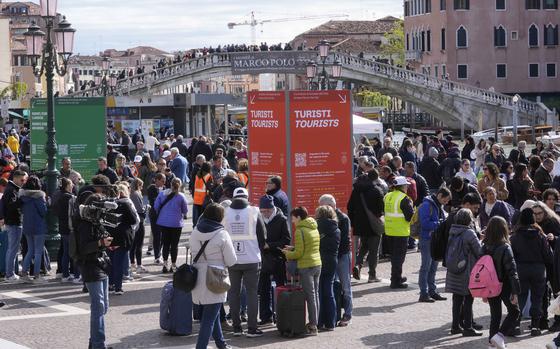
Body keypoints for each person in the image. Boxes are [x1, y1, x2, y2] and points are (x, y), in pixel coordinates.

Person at [191, 203, 237, 349]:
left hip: (197, 275)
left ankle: (221, 344)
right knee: (209, 318)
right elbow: (231, 260)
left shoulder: (195, 231)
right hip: (215, 277)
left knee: (213, 312)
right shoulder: (222, 234)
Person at [223, 187, 266, 337]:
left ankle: (236, 328)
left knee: (233, 293)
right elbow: (262, 236)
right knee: (252, 293)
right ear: (247, 197)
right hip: (252, 258)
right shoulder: (254, 211)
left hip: (232, 259)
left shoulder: (226, 212)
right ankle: (252, 328)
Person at [76, 193, 114, 349]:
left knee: (103, 306)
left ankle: (94, 343)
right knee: (98, 306)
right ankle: (99, 345)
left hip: (101, 265)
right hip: (90, 266)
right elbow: (83, 248)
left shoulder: (97, 222)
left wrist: (108, 243)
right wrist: (100, 242)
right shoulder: (84, 225)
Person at [510, 208, 553, 336]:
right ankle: (535, 327)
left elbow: (512, 255)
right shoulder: (540, 235)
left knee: (520, 297)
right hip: (538, 270)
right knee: (537, 298)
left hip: (521, 269)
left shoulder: (515, 236)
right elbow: (548, 256)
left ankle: (516, 325)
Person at [482, 216, 521, 349]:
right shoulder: (505, 247)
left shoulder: (484, 247)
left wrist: (484, 291)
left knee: (495, 315)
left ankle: (492, 342)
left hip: (491, 286)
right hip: (505, 285)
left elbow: (482, 270)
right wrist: (515, 291)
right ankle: (499, 336)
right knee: (514, 311)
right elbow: (512, 271)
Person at [283, 206, 321, 336]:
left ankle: (312, 326)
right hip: (317, 264)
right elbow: (309, 246)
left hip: (306, 266)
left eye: (293, 218)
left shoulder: (299, 231)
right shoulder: (313, 227)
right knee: (315, 294)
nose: (292, 220)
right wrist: (293, 247)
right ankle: (315, 323)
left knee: (310, 296)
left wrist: (287, 253)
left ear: (298, 217)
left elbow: (299, 253)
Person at [445, 208, 483, 336]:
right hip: (466, 271)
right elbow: (479, 252)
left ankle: (455, 326)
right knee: (468, 299)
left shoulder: (452, 231)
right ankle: (468, 327)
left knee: (456, 299)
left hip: (453, 271)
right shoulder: (469, 233)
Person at [319, 194, 353, 326]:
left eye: (322, 207)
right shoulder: (326, 219)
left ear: (331, 206)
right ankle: (335, 314)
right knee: (334, 286)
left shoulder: (343, 218)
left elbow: (343, 241)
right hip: (332, 256)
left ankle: (348, 314)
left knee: (345, 286)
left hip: (342, 256)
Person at [257, 194, 290, 325]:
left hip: (277, 258)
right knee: (263, 289)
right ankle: (266, 317)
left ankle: (281, 315)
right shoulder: (258, 218)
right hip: (263, 259)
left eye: (267, 211)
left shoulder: (281, 219)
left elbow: (286, 241)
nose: (265, 213)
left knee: (280, 288)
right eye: (262, 211)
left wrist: (269, 245)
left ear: (273, 208)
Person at [347, 170, 384, 282]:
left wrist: (354, 222)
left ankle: (358, 265)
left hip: (360, 225)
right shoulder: (377, 191)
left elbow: (350, 207)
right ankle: (372, 275)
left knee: (364, 246)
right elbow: (381, 209)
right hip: (373, 225)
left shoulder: (356, 191)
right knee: (374, 250)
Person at [418, 187, 451, 302]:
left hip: (435, 240)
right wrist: (440, 223)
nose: (445, 203)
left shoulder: (438, 205)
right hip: (427, 239)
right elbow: (424, 223)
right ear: (439, 195)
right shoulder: (427, 205)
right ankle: (423, 293)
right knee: (426, 267)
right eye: (445, 200)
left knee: (433, 268)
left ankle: (432, 291)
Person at [106, 183, 139, 295]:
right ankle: (118, 287)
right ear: (119, 193)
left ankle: (110, 284)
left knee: (110, 262)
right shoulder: (124, 204)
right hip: (121, 237)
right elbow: (134, 220)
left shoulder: (104, 205)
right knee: (118, 263)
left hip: (108, 237)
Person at [384, 176, 414, 289]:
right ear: (403, 186)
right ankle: (395, 281)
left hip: (389, 231)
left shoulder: (387, 196)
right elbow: (409, 217)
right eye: (406, 185)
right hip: (400, 232)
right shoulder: (404, 199)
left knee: (394, 257)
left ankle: (396, 277)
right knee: (399, 258)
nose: (407, 187)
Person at [154, 178, 189, 273]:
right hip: (176, 223)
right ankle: (173, 265)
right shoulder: (181, 196)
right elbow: (185, 210)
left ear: (170, 184)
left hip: (163, 222)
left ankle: (165, 264)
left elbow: (156, 206)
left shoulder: (162, 194)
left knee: (165, 243)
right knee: (174, 245)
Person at [315, 205, 341, 332]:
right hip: (332, 261)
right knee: (329, 292)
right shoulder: (337, 229)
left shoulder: (315, 228)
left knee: (318, 292)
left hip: (318, 260)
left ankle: (319, 322)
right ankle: (331, 323)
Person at [20, 176, 48, 283]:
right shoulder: (39, 197)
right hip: (38, 226)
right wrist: (46, 202)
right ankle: (36, 276)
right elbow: (43, 212)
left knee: (30, 250)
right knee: (38, 251)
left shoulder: (23, 197)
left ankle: (24, 273)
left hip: (27, 226)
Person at [2, 170, 27, 281]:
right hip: (14, 222)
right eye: (22, 180)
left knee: (12, 248)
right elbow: (11, 206)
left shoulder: (11, 189)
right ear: (16, 178)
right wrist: (21, 200)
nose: (23, 182)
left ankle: (10, 272)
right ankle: (9, 274)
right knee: (13, 249)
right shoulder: (12, 190)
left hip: (13, 221)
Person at [54, 178, 77, 282]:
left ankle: (65, 274)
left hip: (62, 227)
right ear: (67, 185)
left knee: (65, 252)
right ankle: (73, 273)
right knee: (72, 252)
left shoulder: (59, 197)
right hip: (70, 227)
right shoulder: (71, 198)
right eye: (71, 184)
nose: (72, 186)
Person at [147, 173, 166, 263]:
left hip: (164, 215)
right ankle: (157, 256)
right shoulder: (152, 188)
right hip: (154, 215)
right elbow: (153, 201)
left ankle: (159, 253)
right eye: (162, 181)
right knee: (156, 235)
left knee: (162, 235)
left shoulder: (165, 189)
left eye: (164, 180)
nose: (164, 182)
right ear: (157, 180)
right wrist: (161, 194)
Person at [129, 179, 147, 273]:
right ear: (138, 185)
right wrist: (146, 208)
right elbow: (140, 209)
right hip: (139, 221)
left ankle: (132, 263)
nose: (142, 188)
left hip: (133, 222)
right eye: (141, 185)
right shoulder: (136, 194)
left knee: (133, 244)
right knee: (139, 244)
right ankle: (139, 265)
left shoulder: (131, 194)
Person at [192, 162, 213, 227]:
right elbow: (210, 188)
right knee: (203, 217)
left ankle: (195, 229)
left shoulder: (197, 175)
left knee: (196, 217)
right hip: (204, 200)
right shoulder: (208, 176)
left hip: (196, 199)